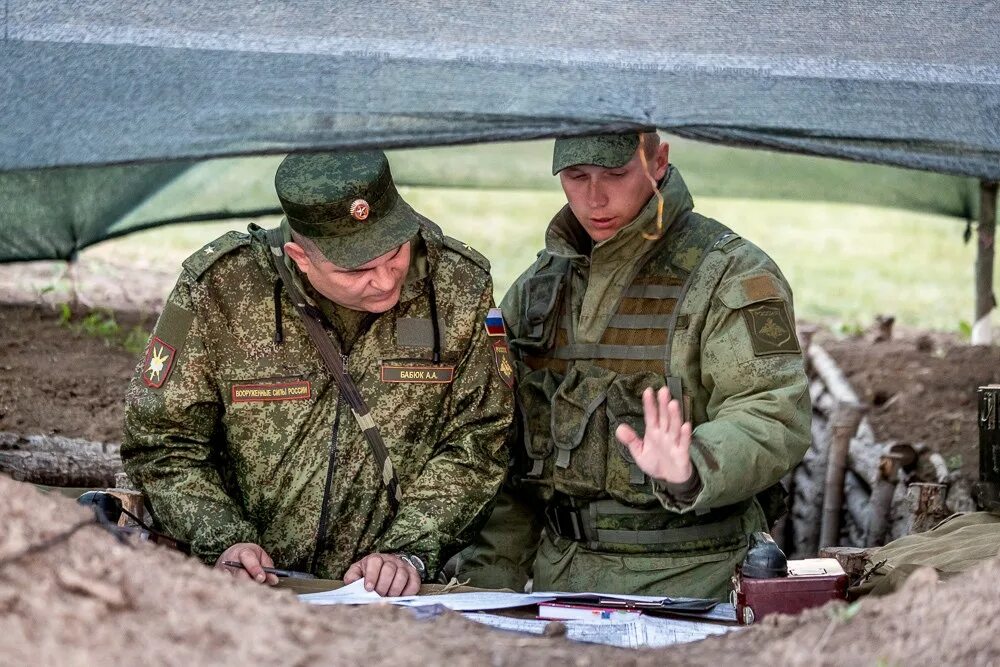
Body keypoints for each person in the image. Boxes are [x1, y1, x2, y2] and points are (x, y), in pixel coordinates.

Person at [122, 150, 512, 596]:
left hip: (395, 600)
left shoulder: (459, 286)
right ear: (299, 256)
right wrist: (224, 541)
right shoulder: (218, 290)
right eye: (357, 269)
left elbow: (480, 438)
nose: (386, 281)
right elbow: (162, 442)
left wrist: (409, 551)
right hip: (252, 593)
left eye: (395, 253)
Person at [456, 132, 811, 599]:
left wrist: (692, 465)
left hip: (697, 587)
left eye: (616, 174)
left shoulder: (730, 272)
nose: (594, 197)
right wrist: (484, 593)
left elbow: (773, 413)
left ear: (658, 162)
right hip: (563, 587)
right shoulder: (539, 291)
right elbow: (512, 464)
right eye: (577, 176)